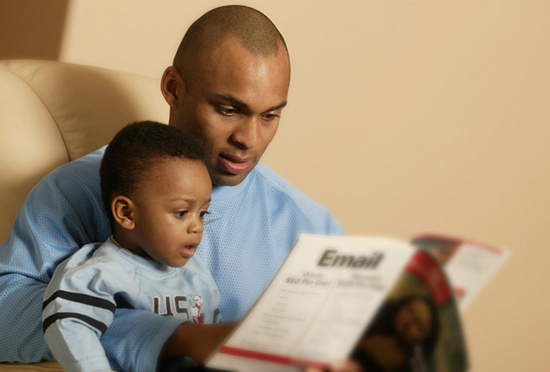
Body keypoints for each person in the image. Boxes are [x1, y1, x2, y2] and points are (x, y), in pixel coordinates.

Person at [0, 5, 344, 372]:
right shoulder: (78, 190)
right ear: (173, 88)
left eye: (270, 115)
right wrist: (176, 337)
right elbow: (6, 316)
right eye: (229, 109)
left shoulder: (312, 227)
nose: (249, 139)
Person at [42, 121, 222, 372]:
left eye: (202, 213)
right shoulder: (101, 272)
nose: (197, 226)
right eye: (182, 213)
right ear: (126, 213)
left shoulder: (198, 275)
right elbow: (69, 324)